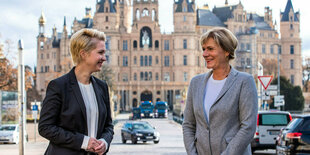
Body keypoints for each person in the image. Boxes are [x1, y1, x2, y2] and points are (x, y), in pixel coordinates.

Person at [182, 27, 258, 155]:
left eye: (210, 49)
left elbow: (248, 127)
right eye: (204, 49)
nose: (205, 54)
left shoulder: (244, 82)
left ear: (227, 51)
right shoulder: (196, 83)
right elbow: (188, 125)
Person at [39, 28, 114, 155]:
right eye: (100, 52)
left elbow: (109, 126)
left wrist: (104, 142)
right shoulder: (58, 86)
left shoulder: (102, 87)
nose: (104, 58)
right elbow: (45, 127)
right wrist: (84, 142)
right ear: (83, 54)